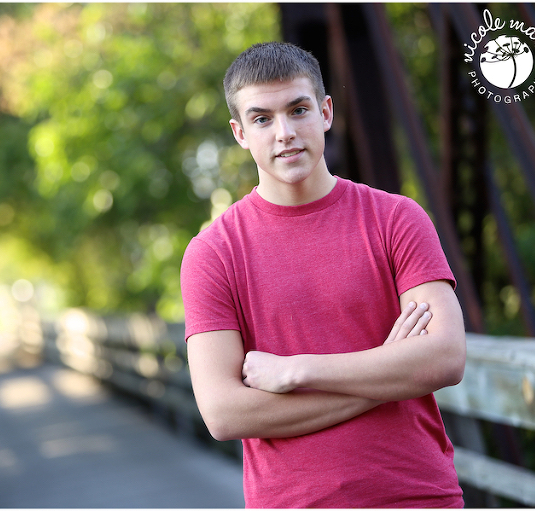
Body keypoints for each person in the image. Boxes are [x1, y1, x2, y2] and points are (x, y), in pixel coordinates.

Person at [180, 41, 466, 508]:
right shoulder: (213, 254)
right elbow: (224, 413)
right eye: (262, 119)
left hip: (417, 495)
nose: (284, 133)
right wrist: (388, 371)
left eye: (298, 109)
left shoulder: (396, 218)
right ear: (239, 133)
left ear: (326, 111)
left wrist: (298, 370)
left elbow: (446, 357)